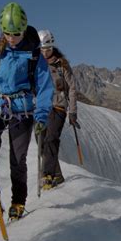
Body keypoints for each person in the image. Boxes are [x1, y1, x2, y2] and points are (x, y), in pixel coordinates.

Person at [0, 2, 54, 223]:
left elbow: (44, 86)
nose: (12, 38)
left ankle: (18, 201)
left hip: (23, 111)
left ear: (24, 29)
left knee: (17, 159)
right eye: (8, 33)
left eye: (16, 33)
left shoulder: (33, 54)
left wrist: (41, 117)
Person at [38, 29, 78, 189]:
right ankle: (58, 175)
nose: (46, 52)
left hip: (58, 107)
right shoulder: (35, 65)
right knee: (41, 142)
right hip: (41, 107)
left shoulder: (62, 65)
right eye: (43, 49)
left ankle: (47, 176)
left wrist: (73, 112)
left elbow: (73, 88)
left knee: (51, 139)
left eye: (48, 48)